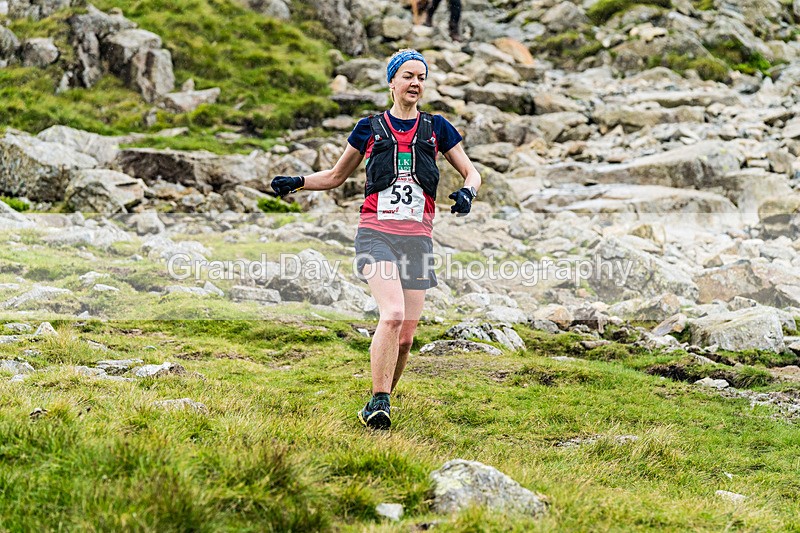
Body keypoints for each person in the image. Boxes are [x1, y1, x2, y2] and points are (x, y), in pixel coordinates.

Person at [271, 49, 481, 430]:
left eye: (421, 77)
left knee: (406, 339)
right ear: (392, 82)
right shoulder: (368, 128)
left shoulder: (438, 128)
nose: (415, 83)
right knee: (393, 315)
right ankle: (381, 401)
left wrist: (468, 193)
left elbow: (471, 172)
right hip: (375, 234)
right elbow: (336, 176)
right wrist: (298, 182)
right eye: (407, 76)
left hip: (418, 241)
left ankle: (378, 402)